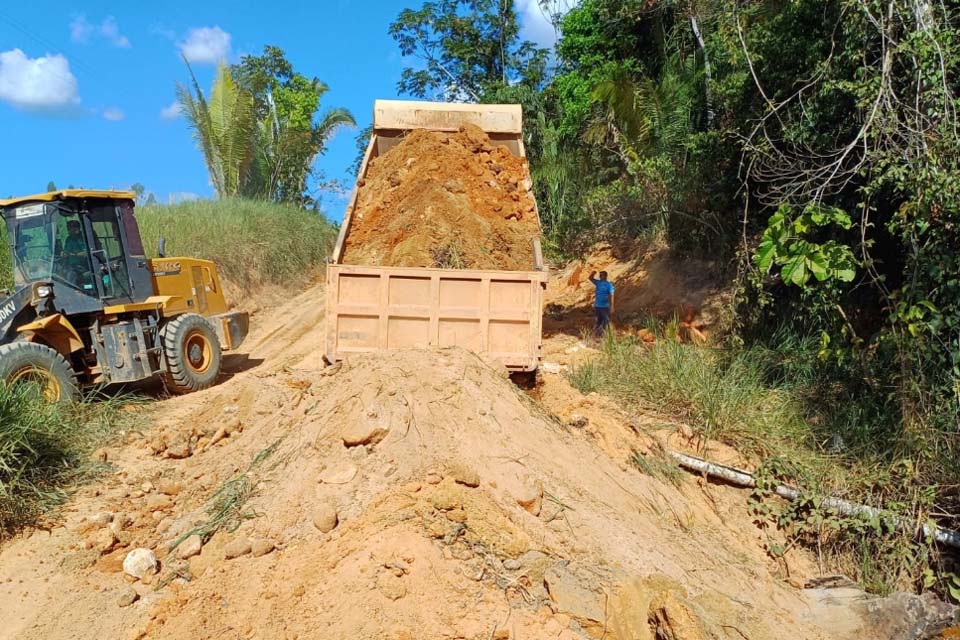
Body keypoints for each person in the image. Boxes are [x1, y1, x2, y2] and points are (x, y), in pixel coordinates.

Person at [588, 270, 615, 337]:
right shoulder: (598, 283)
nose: (600, 277)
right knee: (598, 321)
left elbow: (612, 295)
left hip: (605, 306)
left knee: (606, 321)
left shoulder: (609, 285)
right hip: (597, 306)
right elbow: (590, 278)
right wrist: (592, 273)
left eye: (601, 275)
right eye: (599, 275)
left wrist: (612, 306)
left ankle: (605, 336)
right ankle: (596, 335)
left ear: (605, 276)